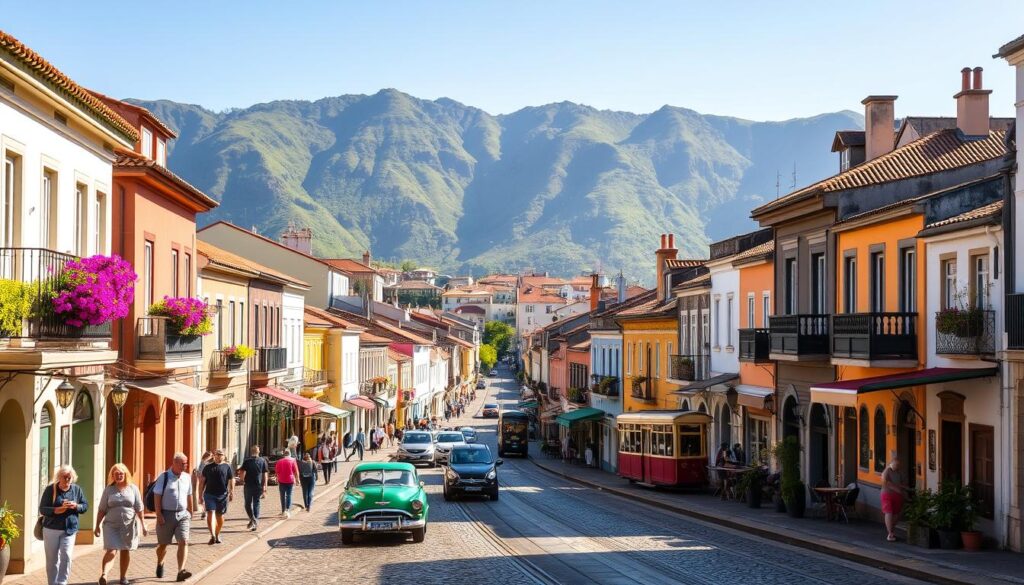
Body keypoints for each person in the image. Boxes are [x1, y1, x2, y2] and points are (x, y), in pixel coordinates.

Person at [94, 463, 147, 585]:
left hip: (127, 526)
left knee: (125, 550)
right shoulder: (109, 489)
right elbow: (102, 509)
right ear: (112, 475)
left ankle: (123, 577)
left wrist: (143, 525)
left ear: (125, 474)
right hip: (111, 526)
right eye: (116, 474)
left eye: (121, 473)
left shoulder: (133, 488)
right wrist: (97, 525)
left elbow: (139, 508)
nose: (118, 476)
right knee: (111, 550)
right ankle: (104, 575)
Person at [39, 464, 88, 585]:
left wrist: (76, 506)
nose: (67, 480)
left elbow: (85, 506)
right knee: (52, 559)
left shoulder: (76, 490)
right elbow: (42, 509)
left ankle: (62, 582)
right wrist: (57, 510)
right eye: (64, 477)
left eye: (69, 477)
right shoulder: (51, 489)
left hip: (69, 529)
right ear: (59, 477)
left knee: (66, 555)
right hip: (51, 529)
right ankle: (52, 582)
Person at [153, 452, 194, 582]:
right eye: (183, 464)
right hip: (166, 515)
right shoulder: (164, 477)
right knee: (163, 545)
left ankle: (180, 570)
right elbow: (157, 496)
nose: (185, 466)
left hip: (182, 514)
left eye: (186, 463)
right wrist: (159, 514)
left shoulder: (187, 477)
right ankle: (160, 562)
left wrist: (190, 511)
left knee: (183, 541)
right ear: (175, 463)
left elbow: (189, 494)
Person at [197, 449, 233, 545]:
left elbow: (231, 479)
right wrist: (200, 495)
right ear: (214, 456)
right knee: (210, 513)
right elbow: (202, 482)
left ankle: (217, 534)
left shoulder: (227, 467)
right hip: (209, 494)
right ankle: (212, 535)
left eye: (221, 455)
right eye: (217, 455)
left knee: (220, 516)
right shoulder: (208, 467)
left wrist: (231, 491)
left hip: (222, 495)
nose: (219, 456)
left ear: (224, 456)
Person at [238, 445, 268, 531]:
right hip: (258, 485)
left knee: (247, 504)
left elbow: (242, 471)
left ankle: (253, 520)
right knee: (256, 503)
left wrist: (242, 480)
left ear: (251, 452)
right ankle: (255, 520)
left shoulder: (247, 461)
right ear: (258, 452)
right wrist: (265, 486)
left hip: (248, 485)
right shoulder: (262, 460)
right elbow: (265, 474)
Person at [881, 451, 909, 542]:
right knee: (889, 512)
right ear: (891, 463)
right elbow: (885, 482)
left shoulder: (900, 472)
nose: (897, 466)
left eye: (898, 465)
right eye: (895, 464)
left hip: (897, 496)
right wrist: (897, 489)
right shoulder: (887, 471)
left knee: (896, 513)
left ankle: (891, 529)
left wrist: (907, 490)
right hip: (887, 494)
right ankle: (890, 533)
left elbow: (902, 484)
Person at [274, 447, 301, 517]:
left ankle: (283, 510)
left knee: (282, 496)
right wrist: (297, 479)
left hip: (281, 480)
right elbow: (296, 471)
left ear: (284, 454)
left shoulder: (279, 461)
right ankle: (287, 510)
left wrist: (277, 478)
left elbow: (277, 471)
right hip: (290, 480)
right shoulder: (293, 460)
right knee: (289, 495)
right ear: (290, 454)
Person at [194, 451, 212, 520]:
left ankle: (204, 512)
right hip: (205, 483)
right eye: (210, 456)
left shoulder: (203, 463)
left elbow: (199, 473)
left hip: (203, 483)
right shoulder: (205, 464)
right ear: (207, 457)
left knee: (202, 498)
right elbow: (200, 474)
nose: (210, 458)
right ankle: (204, 512)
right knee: (203, 498)